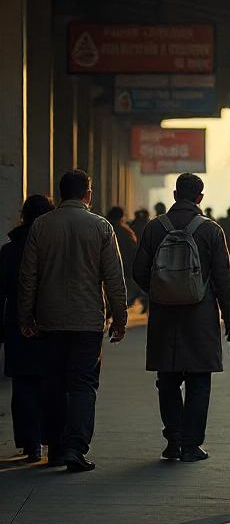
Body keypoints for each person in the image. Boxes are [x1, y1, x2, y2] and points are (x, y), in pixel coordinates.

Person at [17, 169, 128, 472]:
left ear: (61, 192)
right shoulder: (101, 227)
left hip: (49, 320)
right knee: (82, 384)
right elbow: (114, 279)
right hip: (87, 321)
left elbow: (28, 276)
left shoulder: (41, 226)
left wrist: (25, 315)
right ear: (88, 195)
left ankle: (54, 447)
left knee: (52, 383)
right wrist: (120, 318)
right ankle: (76, 448)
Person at [133, 173, 230, 462]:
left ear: (175, 195)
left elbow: (139, 270)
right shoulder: (211, 231)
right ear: (200, 198)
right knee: (199, 381)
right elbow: (225, 280)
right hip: (200, 316)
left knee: (167, 380)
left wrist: (160, 290)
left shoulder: (155, 228)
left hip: (164, 316)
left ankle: (173, 441)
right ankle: (191, 445)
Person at [1, 195, 54, 461]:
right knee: (50, 381)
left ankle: (30, 442)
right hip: (50, 321)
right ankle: (49, 438)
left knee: (23, 384)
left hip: (16, 325)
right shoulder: (54, 248)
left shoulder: (9, 250)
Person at [107, 206, 140, 308]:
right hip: (124, 270)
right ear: (121, 217)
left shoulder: (104, 230)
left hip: (108, 270)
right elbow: (133, 252)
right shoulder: (127, 232)